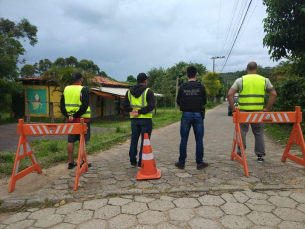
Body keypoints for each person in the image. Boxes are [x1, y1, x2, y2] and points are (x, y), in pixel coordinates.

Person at [227, 61, 277, 163]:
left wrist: (233, 109)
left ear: (247, 69)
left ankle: (240, 153)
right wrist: (266, 109)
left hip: (243, 112)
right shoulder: (264, 80)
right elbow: (274, 94)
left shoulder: (240, 80)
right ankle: (260, 155)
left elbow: (230, 94)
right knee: (258, 133)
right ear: (257, 68)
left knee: (241, 133)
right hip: (258, 112)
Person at [175, 65, 208, 170]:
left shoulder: (182, 87)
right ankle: (199, 163)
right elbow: (205, 101)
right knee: (199, 139)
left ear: (186, 75)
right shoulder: (201, 86)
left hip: (186, 115)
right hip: (198, 115)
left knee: (184, 139)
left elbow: (178, 101)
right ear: (196, 74)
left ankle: (181, 163)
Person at [122, 73, 155, 168]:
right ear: (145, 81)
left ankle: (132, 160)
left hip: (134, 120)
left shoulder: (129, 91)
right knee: (145, 141)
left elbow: (124, 105)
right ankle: (141, 161)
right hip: (146, 119)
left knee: (134, 139)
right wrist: (140, 111)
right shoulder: (148, 91)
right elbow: (151, 105)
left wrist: (132, 111)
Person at [60, 72, 91, 169]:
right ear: (81, 79)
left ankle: (70, 162)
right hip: (83, 120)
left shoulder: (66, 89)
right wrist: (76, 115)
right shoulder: (83, 90)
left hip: (70, 120)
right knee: (83, 141)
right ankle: (81, 162)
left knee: (70, 140)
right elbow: (84, 105)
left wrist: (69, 115)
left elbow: (62, 105)